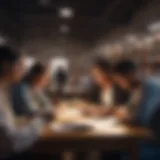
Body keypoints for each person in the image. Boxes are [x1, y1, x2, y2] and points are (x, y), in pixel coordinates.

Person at [0, 45, 48, 159]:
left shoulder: (3, 91)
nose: (24, 71)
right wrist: (39, 122)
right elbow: (11, 142)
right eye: (20, 66)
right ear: (6, 65)